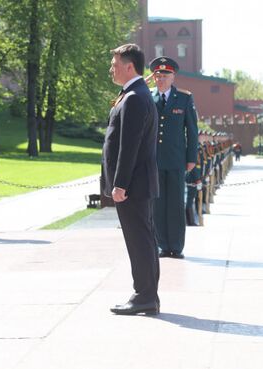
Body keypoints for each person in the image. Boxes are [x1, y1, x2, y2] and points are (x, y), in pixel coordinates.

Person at [102, 44, 160, 316]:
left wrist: (120, 184)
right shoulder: (132, 94)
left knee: (140, 239)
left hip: (132, 186)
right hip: (134, 184)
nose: (111, 68)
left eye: (115, 64)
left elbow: (129, 146)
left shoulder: (135, 97)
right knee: (141, 238)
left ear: (129, 66)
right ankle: (146, 294)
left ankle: (145, 295)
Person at [148, 56, 199, 259]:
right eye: (157, 75)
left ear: (173, 76)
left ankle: (176, 247)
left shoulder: (184, 98)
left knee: (176, 204)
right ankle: (162, 245)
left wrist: (191, 158)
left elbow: (192, 131)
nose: (161, 78)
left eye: (165, 75)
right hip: (153, 160)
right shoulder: (147, 97)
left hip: (177, 159)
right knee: (157, 204)